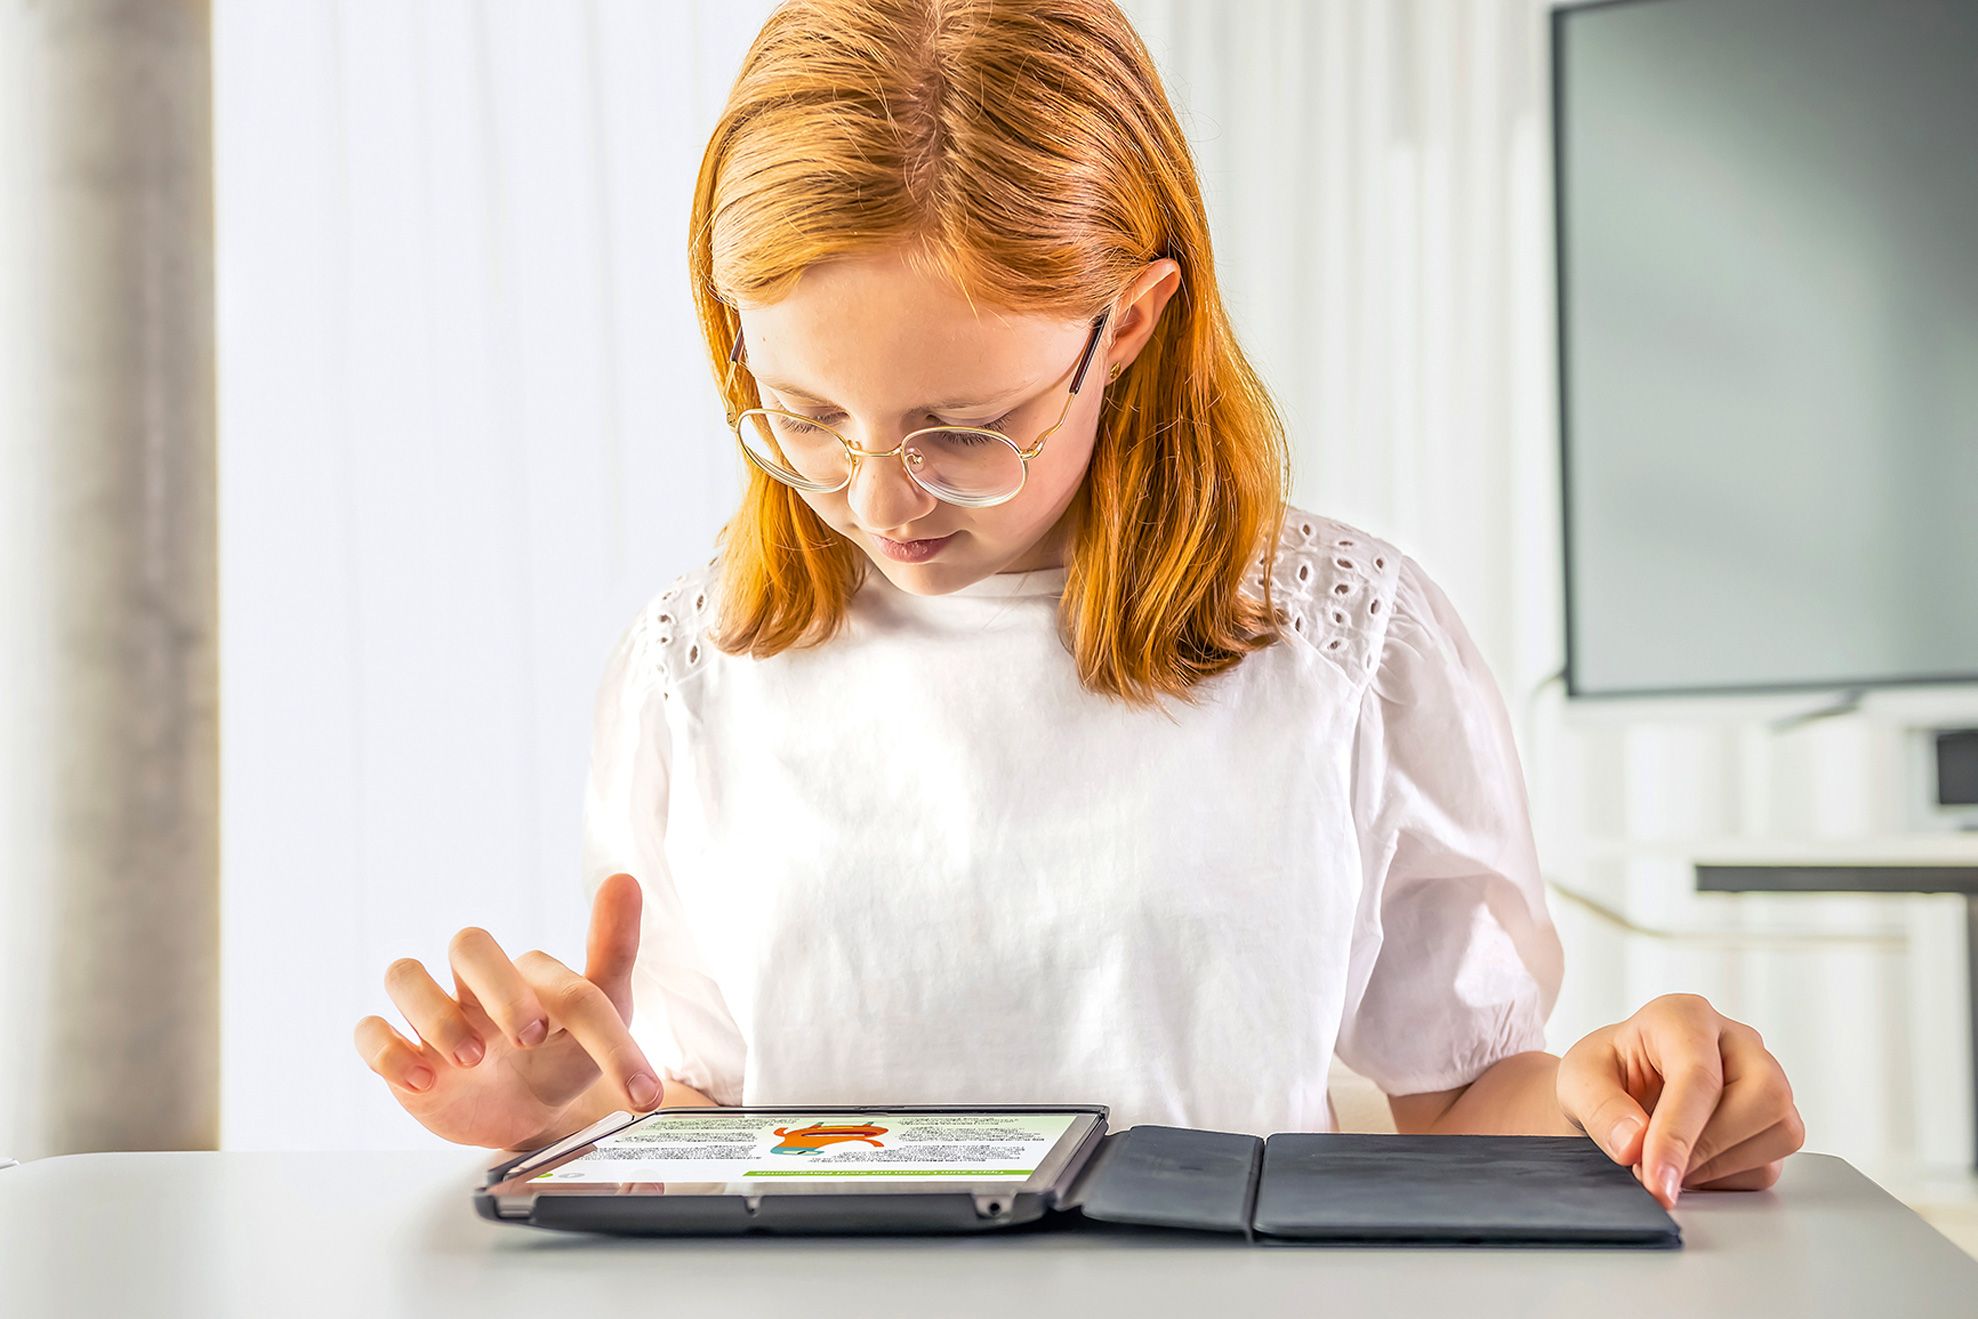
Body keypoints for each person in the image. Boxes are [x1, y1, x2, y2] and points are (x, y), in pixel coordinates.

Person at [353, 0, 1803, 1211]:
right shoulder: (699, 664)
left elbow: (1463, 1099)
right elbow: (722, 1123)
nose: (878, 501)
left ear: (1131, 320)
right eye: (802, 416)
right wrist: (570, 1119)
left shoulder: (1342, 642)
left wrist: (1626, 1091)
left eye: (962, 426)